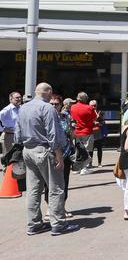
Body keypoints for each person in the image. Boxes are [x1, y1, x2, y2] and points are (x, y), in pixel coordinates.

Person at [15, 82, 79, 236]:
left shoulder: (23, 108)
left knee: (33, 189)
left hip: (28, 149)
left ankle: (34, 224)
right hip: (44, 150)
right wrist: (58, 154)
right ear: (49, 92)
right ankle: (58, 224)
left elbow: (17, 133)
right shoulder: (47, 108)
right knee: (56, 187)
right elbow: (53, 133)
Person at [46, 95, 74, 218]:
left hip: (66, 154)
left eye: (56, 104)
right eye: (51, 104)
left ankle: (61, 206)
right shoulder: (45, 117)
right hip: (50, 154)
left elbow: (70, 133)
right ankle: (49, 208)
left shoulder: (65, 116)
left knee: (64, 181)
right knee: (49, 182)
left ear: (61, 105)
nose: (53, 106)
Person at [70, 92, 96, 175]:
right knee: (87, 150)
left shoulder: (73, 107)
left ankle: (76, 168)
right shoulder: (89, 108)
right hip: (87, 131)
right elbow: (94, 118)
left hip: (77, 131)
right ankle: (84, 168)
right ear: (85, 99)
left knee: (78, 150)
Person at [0, 91, 21, 157]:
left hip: (19, 136)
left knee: (17, 158)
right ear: (11, 99)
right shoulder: (7, 110)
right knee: (8, 157)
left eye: (20, 97)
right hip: (9, 136)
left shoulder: (21, 108)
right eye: (17, 98)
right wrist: (3, 129)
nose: (19, 99)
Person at [89, 100, 105, 167]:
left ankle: (99, 163)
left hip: (98, 133)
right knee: (90, 149)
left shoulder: (100, 112)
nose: (93, 107)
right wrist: (93, 123)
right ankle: (90, 163)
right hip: (90, 132)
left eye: (94, 105)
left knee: (99, 148)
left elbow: (103, 122)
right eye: (91, 105)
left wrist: (99, 122)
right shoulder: (87, 112)